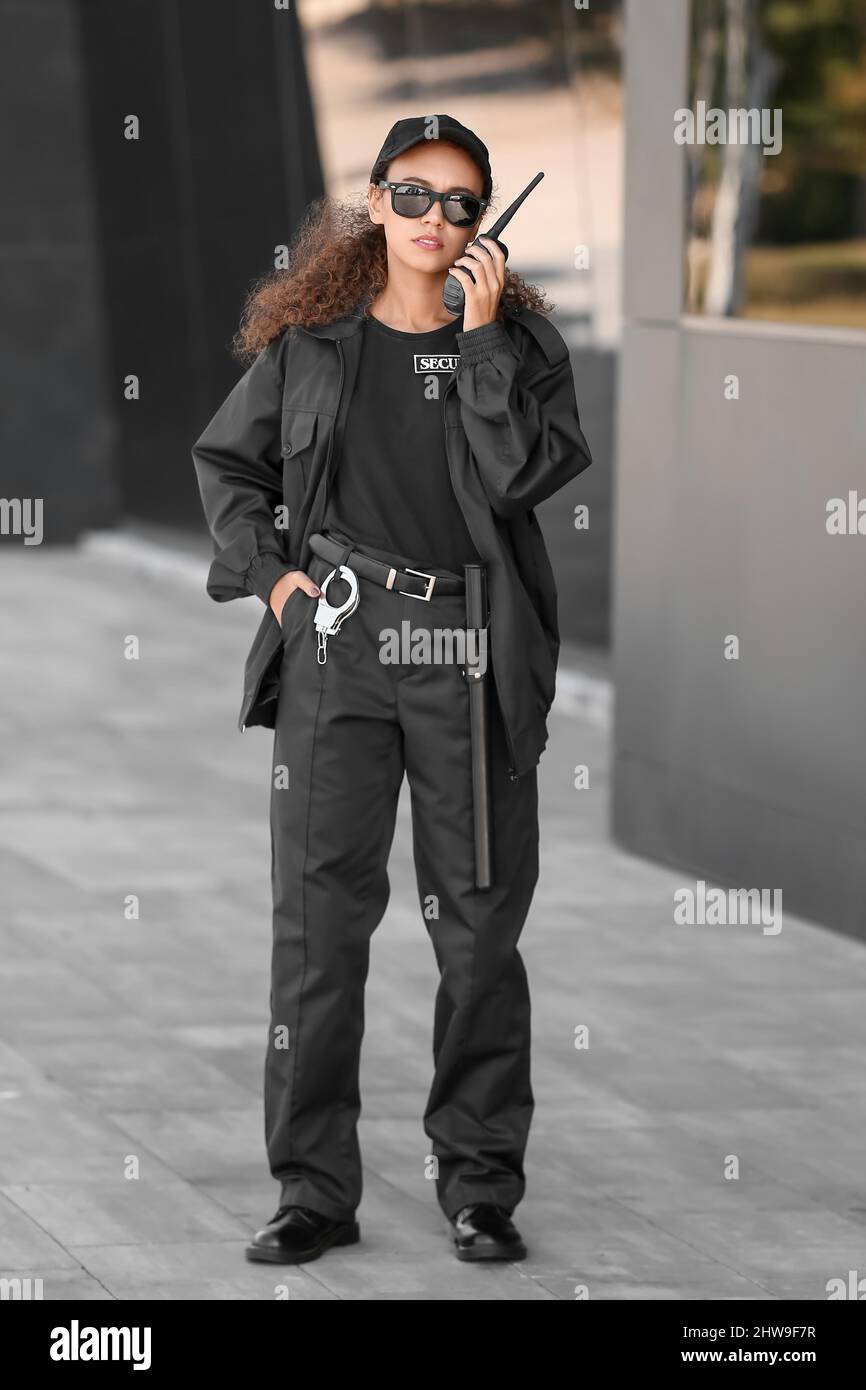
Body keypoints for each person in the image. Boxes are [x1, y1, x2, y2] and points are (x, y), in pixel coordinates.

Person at [191, 114, 593, 1266]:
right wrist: (274, 586)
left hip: (466, 647)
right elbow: (227, 466)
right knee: (318, 932)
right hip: (341, 642)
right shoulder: (312, 345)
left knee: (475, 933)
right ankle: (312, 1189)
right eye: (410, 196)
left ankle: (477, 1184)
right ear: (373, 203)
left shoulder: (517, 352)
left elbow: (521, 476)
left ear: (483, 228)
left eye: (460, 204)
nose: (433, 221)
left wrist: (475, 341)